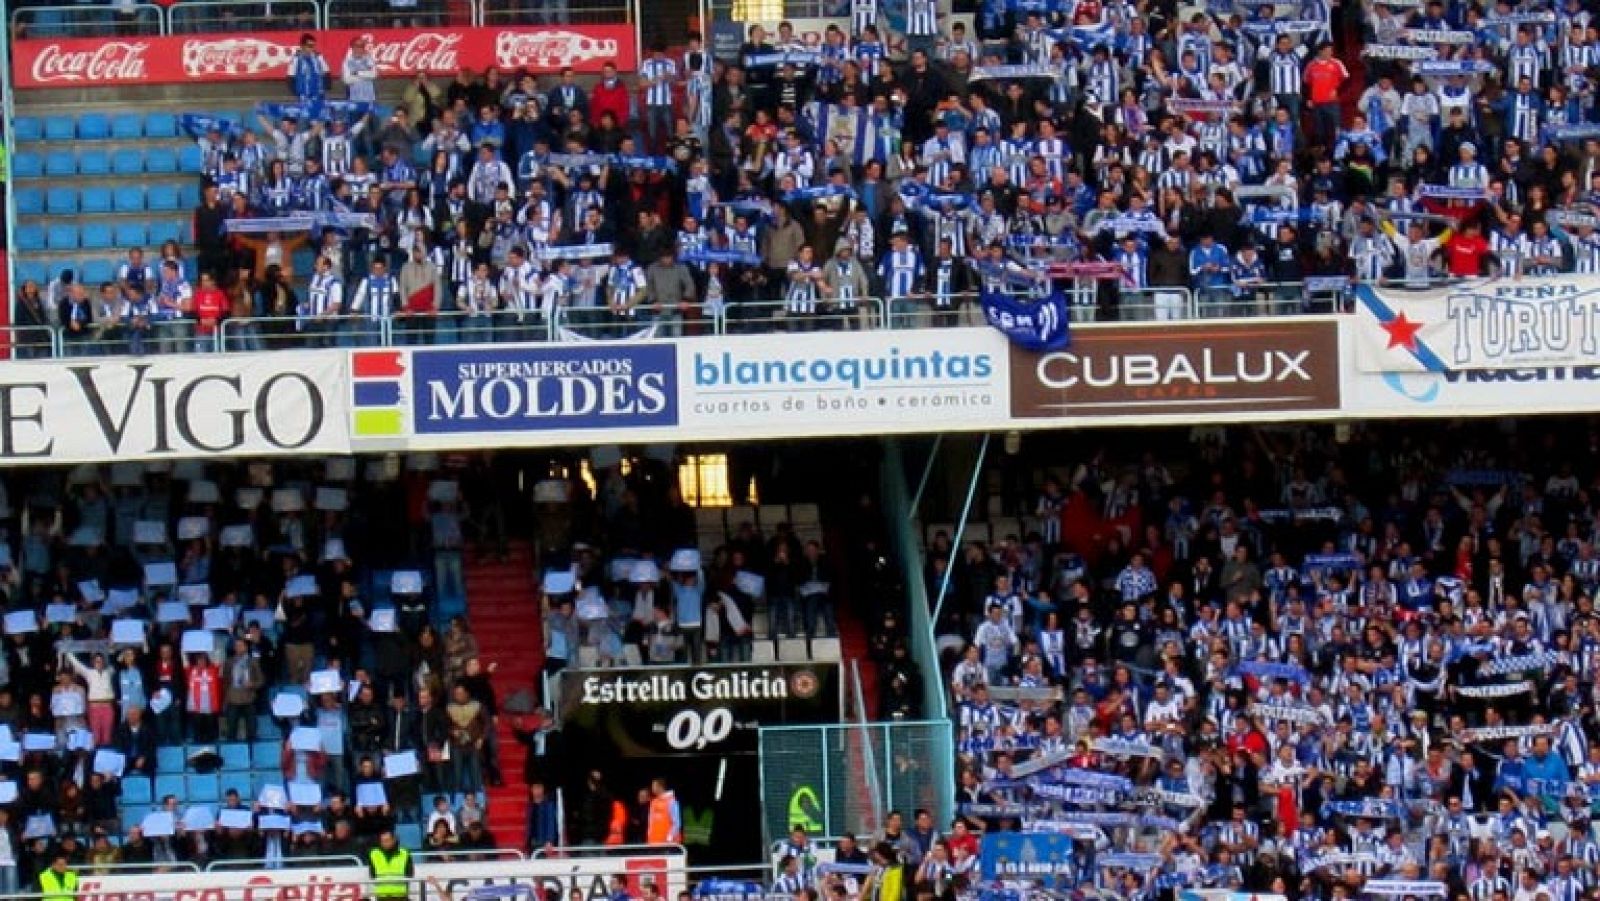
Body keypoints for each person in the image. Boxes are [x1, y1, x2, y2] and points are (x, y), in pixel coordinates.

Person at [368, 829, 412, 900]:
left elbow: (409, 874)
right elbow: (373, 874)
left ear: (394, 840)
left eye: (387, 840)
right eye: (382, 841)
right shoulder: (374, 854)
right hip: (382, 896)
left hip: (400, 896)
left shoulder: (404, 853)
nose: (385, 843)